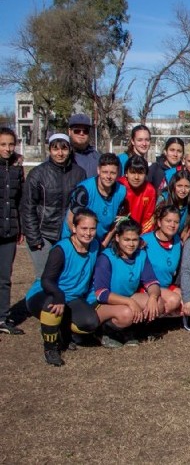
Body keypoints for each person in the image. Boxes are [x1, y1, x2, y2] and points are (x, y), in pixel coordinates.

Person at [25, 208, 101, 366]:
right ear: (74, 228)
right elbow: (47, 280)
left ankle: (63, 332)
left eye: (92, 229)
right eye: (84, 228)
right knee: (51, 305)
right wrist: (59, 296)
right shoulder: (61, 249)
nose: (88, 233)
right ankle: (50, 348)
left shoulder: (95, 246)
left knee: (90, 323)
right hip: (45, 293)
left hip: (72, 298)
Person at [89, 218, 163, 348]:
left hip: (126, 297)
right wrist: (130, 302)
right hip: (100, 303)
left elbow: (152, 282)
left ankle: (129, 331)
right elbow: (101, 293)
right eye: (126, 240)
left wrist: (153, 297)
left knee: (158, 303)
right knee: (127, 313)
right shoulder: (106, 258)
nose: (131, 244)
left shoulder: (141, 255)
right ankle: (105, 332)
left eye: (135, 240)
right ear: (117, 238)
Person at [21, 133, 87, 278]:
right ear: (50, 150)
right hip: (43, 234)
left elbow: (81, 205)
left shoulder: (79, 173)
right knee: (44, 277)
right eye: (55, 149)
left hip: (68, 234)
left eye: (64, 148)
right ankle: (39, 301)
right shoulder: (37, 174)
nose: (60, 153)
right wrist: (34, 237)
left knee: (65, 276)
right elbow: (28, 207)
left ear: (69, 150)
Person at [63, 152, 128, 247]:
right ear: (98, 170)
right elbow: (71, 218)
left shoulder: (121, 191)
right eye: (105, 172)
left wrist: (104, 243)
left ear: (118, 173)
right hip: (75, 239)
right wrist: (81, 244)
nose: (108, 176)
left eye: (113, 173)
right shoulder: (84, 190)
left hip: (100, 241)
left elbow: (116, 222)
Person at [0, 127, 24, 335]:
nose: (7, 148)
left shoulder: (17, 169)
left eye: (10, 144)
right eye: (3, 144)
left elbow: (19, 201)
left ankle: (3, 317)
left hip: (9, 230)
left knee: (5, 276)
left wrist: (20, 227)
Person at [140, 204, 184, 317]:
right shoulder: (144, 241)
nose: (172, 225)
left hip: (165, 286)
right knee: (174, 300)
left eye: (176, 222)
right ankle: (146, 321)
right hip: (147, 287)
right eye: (168, 221)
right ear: (159, 222)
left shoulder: (178, 242)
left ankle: (157, 315)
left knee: (187, 301)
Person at [158, 171, 190, 241]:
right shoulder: (163, 199)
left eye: (187, 187)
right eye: (179, 186)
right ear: (173, 186)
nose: (183, 190)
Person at [120, 155, 157, 234]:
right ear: (126, 173)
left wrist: (141, 237)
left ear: (146, 174)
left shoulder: (150, 190)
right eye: (133, 172)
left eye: (140, 173)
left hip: (139, 234)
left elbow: (148, 218)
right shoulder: (119, 186)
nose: (136, 177)